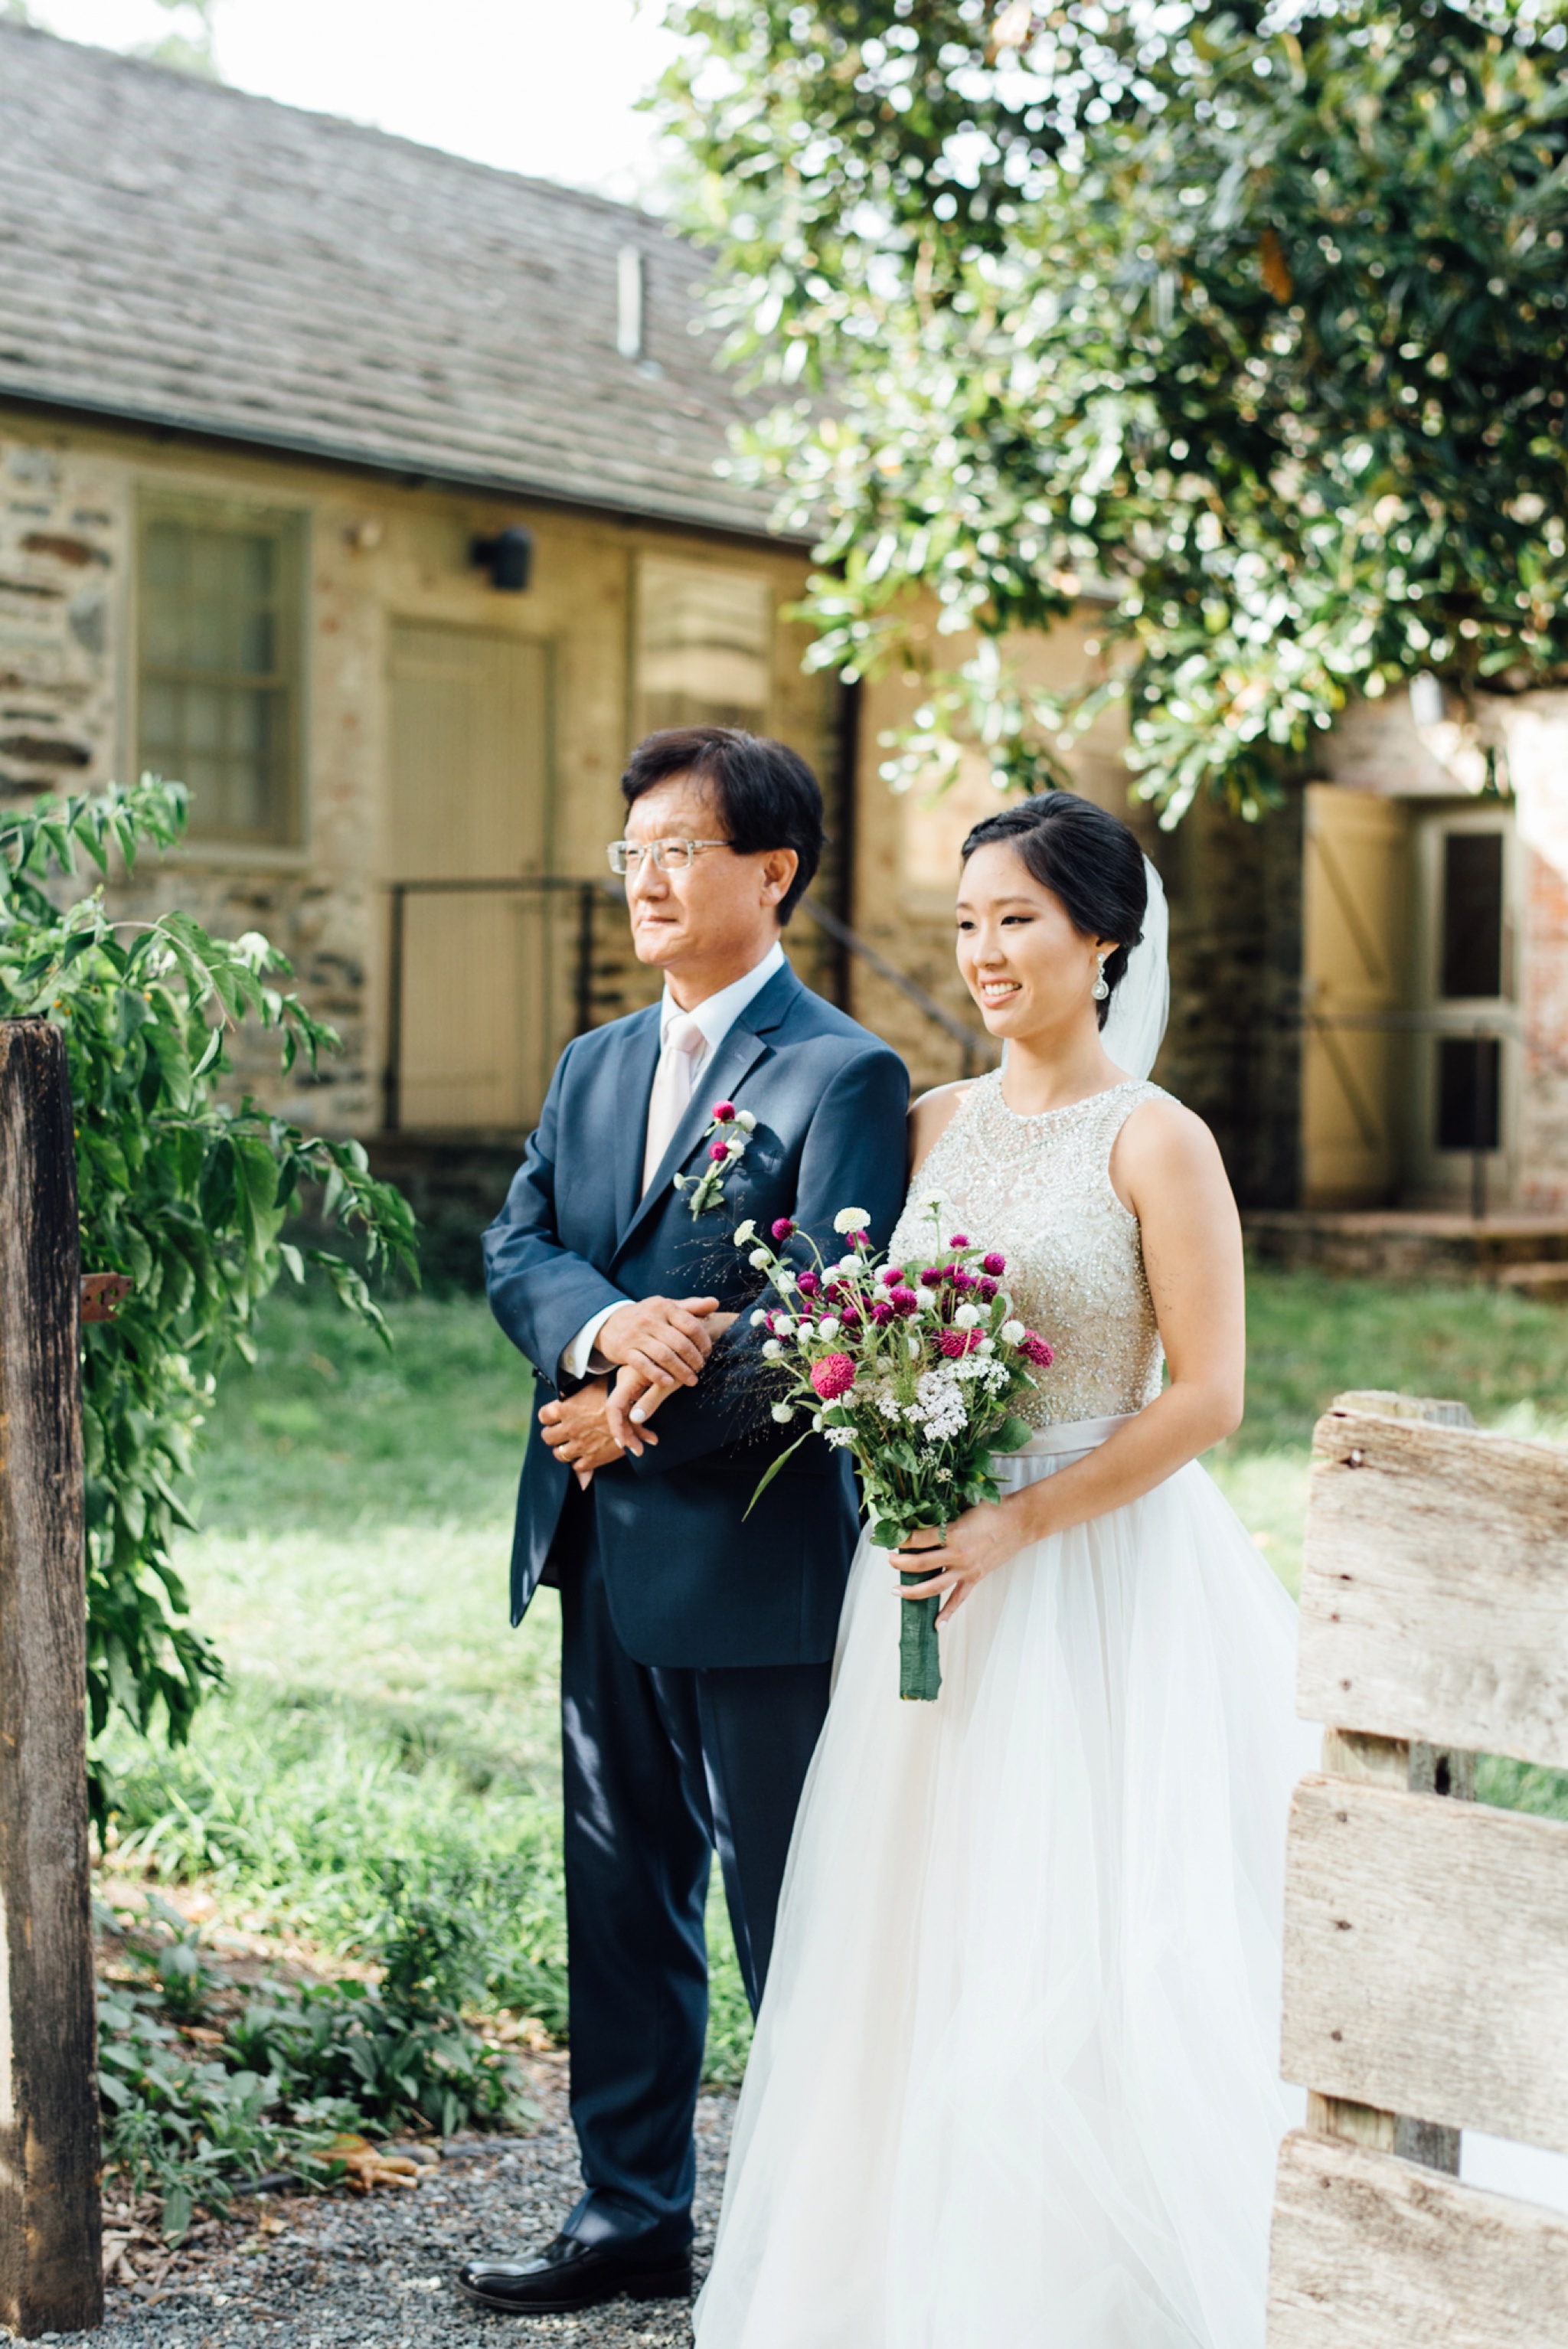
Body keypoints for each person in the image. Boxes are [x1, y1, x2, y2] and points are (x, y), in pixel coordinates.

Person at [687, 789, 1317, 2348]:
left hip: (1097, 1575)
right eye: (965, 922)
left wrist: (1022, 1520)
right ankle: (904, 2264)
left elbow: (1209, 1396)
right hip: (923, 1570)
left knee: (1099, 1929)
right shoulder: (929, 1128)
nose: (983, 951)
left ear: (1102, 939)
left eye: (1016, 919)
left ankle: (1089, 2287)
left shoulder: (1159, 1140)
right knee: (918, 1918)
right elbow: (845, 1324)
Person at [460, 727, 909, 2318]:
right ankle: (627, 2213)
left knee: (793, 1911)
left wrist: (624, 1410)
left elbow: (829, 1329)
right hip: (596, 1553)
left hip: (752, 1563)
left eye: (678, 847)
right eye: (629, 849)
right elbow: (517, 1244)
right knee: (616, 1889)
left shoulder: (841, 1074)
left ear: (769, 871)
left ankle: (821, 2235)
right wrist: (603, 1334)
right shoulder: (590, 1063)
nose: (645, 878)